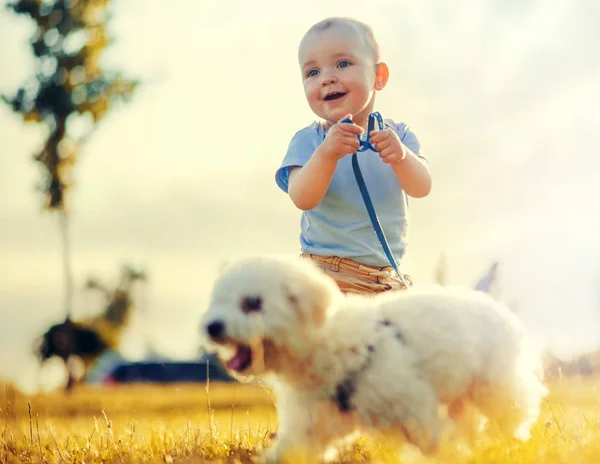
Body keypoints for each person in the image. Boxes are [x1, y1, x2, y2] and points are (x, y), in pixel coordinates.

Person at [275, 17, 431, 295]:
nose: (327, 78)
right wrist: (326, 155)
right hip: (327, 277)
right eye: (312, 72)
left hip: (385, 282)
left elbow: (421, 188)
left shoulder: (398, 135)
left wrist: (401, 157)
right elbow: (302, 197)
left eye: (343, 64)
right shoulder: (310, 140)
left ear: (379, 77)